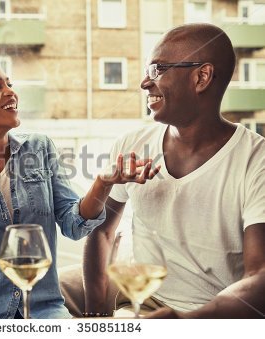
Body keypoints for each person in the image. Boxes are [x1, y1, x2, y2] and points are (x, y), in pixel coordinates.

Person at [0, 56, 160, 319]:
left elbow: (75, 224)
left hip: (44, 311)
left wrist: (103, 183)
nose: (10, 92)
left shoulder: (39, 148)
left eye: (9, 84)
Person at [60, 23, 265, 318]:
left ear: (201, 77)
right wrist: (96, 317)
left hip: (216, 316)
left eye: (157, 70)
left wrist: (183, 322)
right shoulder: (132, 144)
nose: (145, 83)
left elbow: (259, 276)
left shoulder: (256, 159)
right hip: (142, 301)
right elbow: (102, 231)